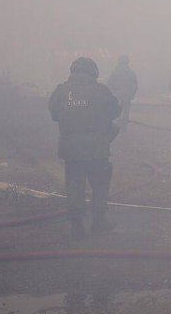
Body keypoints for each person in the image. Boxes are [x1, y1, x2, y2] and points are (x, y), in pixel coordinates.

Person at [49, 57, 121, 239]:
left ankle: (77, 227)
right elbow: (115, 111)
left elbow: (54, 114)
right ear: (93, 73)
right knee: (100, 185)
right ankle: (98, 222)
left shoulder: (61, 91)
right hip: (96, 148)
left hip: (71, 150)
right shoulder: (101, 91)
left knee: (74, 186)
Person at [107, 55, 138, 132]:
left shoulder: (114, 72)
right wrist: (131, 94)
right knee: (125, 113)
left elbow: (110, 84)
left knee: (117, 113)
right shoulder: (131, 73)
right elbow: (134, 85)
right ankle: (124, 127)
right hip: (127, 96)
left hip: (117, 96)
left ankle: (118, 127)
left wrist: (113, 94)